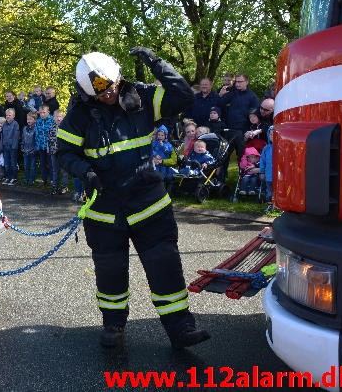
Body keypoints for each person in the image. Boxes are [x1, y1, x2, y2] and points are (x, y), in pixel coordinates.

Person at [57, 47, 209, 350]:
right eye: (100, 95)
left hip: (149, 204)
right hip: (104, 210)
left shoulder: (142, 98)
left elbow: (184, 96)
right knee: (110, 271)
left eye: (111, 89)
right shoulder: (79, 114)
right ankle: (113, 325)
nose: (108, 96)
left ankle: (181, 328)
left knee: (164, 266)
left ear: (118, 78)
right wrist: (85, 172)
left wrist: (156, 63)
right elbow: (64, 153)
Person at [0, 108, 19, 185]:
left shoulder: (15, 124)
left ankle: (14, 178)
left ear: (13, 116)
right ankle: (8, 177)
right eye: (6, 115)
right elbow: (2, 136)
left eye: (9, 115)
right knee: (6, 163)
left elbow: (16, 136)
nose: (7, 116)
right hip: (5, 147)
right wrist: (1, 146)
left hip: (12, 147)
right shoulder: (4, 124)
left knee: (13, 163)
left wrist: (14, 146)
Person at [21, 111, 38, 186]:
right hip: (25, 150)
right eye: (28, 119)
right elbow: (23, 138)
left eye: (30, 119)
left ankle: (32, 179)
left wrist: (34, 149)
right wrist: (22, 147)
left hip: (32, 151)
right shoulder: (25, 128)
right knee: (26, 166)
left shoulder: (36, 128)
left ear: (35, 120)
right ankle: (26, 178)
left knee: (32, 166)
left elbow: (37, 140)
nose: (28, 120)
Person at [259, 126, 274, 208]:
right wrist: (262, 172)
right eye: (271, 134)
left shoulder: (282, 147)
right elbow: (262, 161)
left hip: (280, 177)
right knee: (269, 191)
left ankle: (279, 206)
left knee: (279, 191)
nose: (273, 136)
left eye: (275, 134)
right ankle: (270, 206)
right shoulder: (266, 148)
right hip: (269, 175)